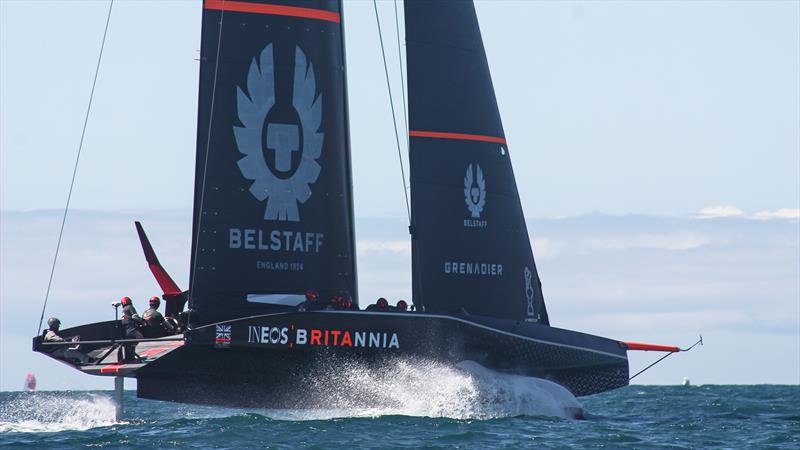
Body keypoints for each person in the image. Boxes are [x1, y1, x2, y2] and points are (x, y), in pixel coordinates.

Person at [120, 296, 144, 362]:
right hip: (131, 328)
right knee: (141, 338)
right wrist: (142, 321)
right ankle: (132, 356)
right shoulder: (130, 307)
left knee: (129, 343)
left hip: (126, 329)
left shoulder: (124, 310)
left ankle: (129, 358)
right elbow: (135, 316)